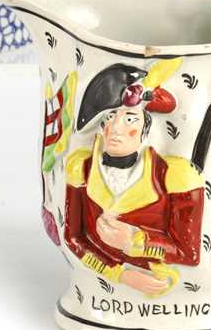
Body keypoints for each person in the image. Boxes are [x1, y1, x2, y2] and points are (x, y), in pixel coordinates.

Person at [63, 60, 203, 297]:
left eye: (130, 119)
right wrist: (120, 275)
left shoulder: (175, 176)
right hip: (98, 296)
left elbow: (188, 253)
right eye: (110, 118)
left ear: (145, 130)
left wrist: (137, 242)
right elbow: (73, 237)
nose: (116, 128)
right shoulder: (81, 168)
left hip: (165, 283)